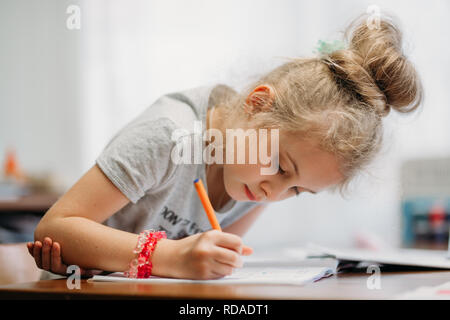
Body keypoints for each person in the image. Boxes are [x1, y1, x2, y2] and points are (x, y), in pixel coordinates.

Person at [28, 13, 423, 280]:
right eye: (281, 167)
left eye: (298, 190)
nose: (275, 192)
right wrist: (173, 257)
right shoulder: (171, 135)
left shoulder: (256, 177)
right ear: (258, 104)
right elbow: (57, 227)